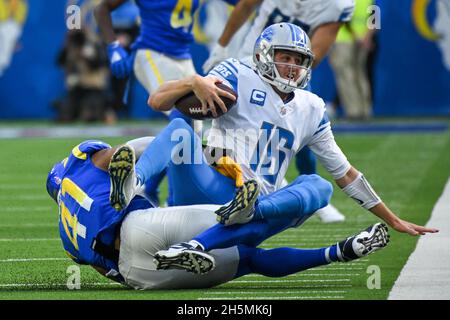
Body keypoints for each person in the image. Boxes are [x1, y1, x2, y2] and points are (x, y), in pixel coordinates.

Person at [140, 23, 439, 269]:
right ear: (264, 54)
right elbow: (157, 101)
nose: (292, 67)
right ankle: (136, 184)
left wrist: (394, 219)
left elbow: (345, 174)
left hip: (255, 212)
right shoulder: (236, 74)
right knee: (180, 128)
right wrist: (192, 81)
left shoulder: (311, 107)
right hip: (212, 186)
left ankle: (244, 213)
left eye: (298, 61)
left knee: (319, 187)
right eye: (285, 57)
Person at [46, 138, 392, 289]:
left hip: (135, 274)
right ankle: (335, 252)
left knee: (251, 259)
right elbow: (119, 153)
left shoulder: (65, 232)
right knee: (248, 226)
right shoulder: (80, 160)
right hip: (141, 226)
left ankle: (341, 251)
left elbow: (96, 265)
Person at [202, 0, 357, 223]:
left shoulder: (338, 4)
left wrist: (286, 79)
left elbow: (317, 53)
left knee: (304, 139)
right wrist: (222, 46)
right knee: (214, 117)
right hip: (253, 63)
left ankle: (305, 187)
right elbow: (246, 6)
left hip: (289, 71)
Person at [94, 0, 238, 206]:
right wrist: (114, 47)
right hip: (152, 53)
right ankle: (167, 199)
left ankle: (149, 191)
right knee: (181, 122)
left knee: (192, 136)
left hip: (183, 57)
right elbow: (102, 8)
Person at [328, 0, 374, 121]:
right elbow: (374, 19)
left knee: (346, 77)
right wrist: (367, 38)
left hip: (344, 39)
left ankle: (353, 112)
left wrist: (357, 37)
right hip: (363, 40)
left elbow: (344, 18)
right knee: (360, 75)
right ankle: (365, 110)